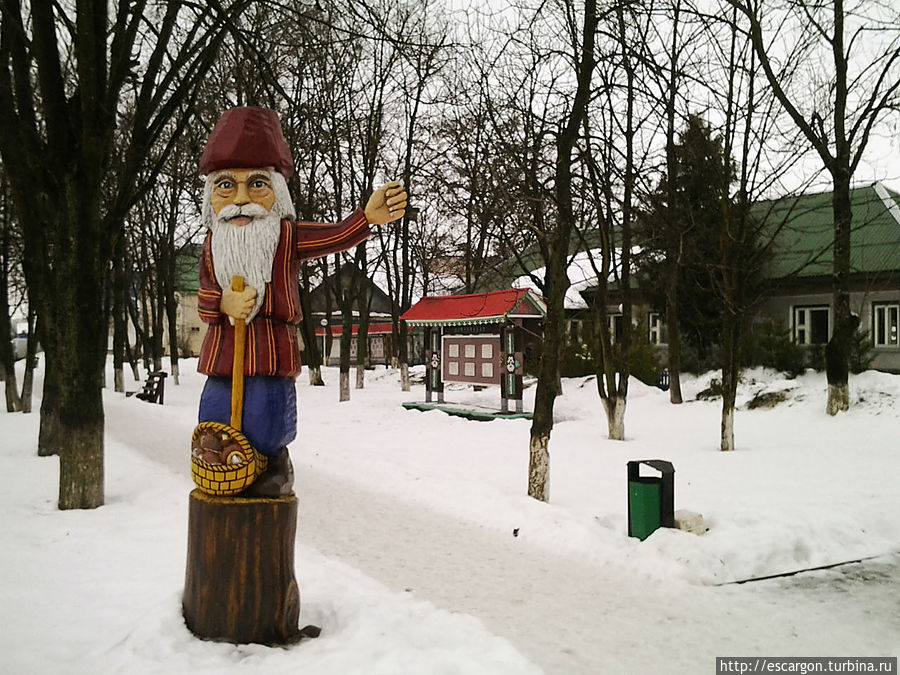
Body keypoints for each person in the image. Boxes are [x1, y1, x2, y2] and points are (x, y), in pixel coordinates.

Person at [195, 106, 406, 496]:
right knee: (214, 413)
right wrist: (222, 303)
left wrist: (366, 218)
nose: (241, 198)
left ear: (278, 191)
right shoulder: (212, 244)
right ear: (212, 195)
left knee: (264, 417)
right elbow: (205, 292)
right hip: (223, 353)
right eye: (227, 186)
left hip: (271, 350)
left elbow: (336, 235)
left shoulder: (287, 236)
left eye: (257, 184)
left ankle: (272, 464)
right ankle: (223, 473)